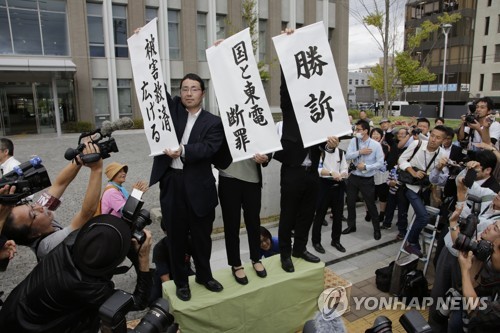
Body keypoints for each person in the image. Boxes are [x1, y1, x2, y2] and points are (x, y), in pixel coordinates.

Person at [0, 214, 153, 332]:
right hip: (25, 328)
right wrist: (143, 258)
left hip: (12, 309)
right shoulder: (90, 287)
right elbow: (139, 301)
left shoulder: (70, 242)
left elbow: (98, 232)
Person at [149, 73, 228, 301]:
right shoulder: (172, 112)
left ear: (202, 93)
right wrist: (145, 53)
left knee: (202, 237)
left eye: (194, 89)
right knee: (176, 238)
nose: (189, 93)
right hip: (172, 183)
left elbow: (208, 148)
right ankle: (181, 282)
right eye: (184, 89)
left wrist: (183, 150)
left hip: (199, 187)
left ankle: (205, 275)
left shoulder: (213, 122)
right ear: (180, 92)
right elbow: (156, 93)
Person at [273, 61, 339, 272]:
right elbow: (284, 91)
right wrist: (285, 62)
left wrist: (330, 145)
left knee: (307, 214)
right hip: (292, 171)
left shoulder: (319, 113)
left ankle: (300, 248)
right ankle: (285, 253)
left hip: (313, 173)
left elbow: (326, 145)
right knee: (288, 215)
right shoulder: (290, 112)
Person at [1, 142, 103, 261]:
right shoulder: (48, 246)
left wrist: (79, 158)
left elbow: (60, 184)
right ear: (33, 234)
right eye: (33, 214)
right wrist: (97, 169)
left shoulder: (40, 221)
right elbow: (86, 214)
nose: (39, 207)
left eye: (31, 206)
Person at [428, 172, 499, 332]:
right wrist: (467, 171)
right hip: (455, 255)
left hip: (466, 262)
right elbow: (465, 184)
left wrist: (454, 223)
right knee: (439, 296)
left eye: (494, 229)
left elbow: (464, 242)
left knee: (457, 313)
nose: (499, 195)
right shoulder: (489, 196)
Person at [218, 154, 271, 285]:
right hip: (228, 175)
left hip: (252, 176)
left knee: (253, 222)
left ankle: (256, 258)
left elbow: (268, 137)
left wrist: (267, 156)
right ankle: (236, 264)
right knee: (231, 223)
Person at [398, 125, 448, 257]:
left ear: (443, 140)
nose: (433, 140)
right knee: (423, 217)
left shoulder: (442, 154)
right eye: (432, 135)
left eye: (438, 138)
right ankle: (412, 242)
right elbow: (401, 160)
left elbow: (438, 179)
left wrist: (438, 169)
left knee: (419, 217)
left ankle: (413, 241)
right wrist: (413, 172)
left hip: (425, 188)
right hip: (410, 186)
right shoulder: (417, 144)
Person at [342, 120, 384, 240]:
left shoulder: (375, 145)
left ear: (366, 130)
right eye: (355, 129)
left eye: (359, 130)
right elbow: (347, 156)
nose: (356, 132)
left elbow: (380, 163)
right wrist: (360, 152)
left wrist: (366, 167)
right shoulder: (354, 141)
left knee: (370, 204)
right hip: (354, 177)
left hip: (367, 179)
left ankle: (377, 229)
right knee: (350, 202)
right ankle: (351, 226)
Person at [311, 145, 348, 254]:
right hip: (324, 185)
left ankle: (336, 240)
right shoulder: (320, 151)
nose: (333, 142)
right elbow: (318, 169)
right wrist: (332, 173)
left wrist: (343, 173)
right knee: (320, 215)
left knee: (338, 215)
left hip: (338, 184)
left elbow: (344, 167)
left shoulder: (341, 152)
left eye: (335, 139)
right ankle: (316, 241)